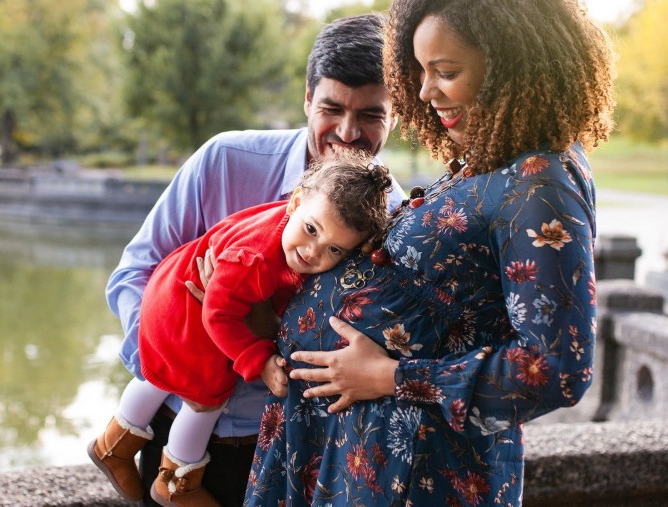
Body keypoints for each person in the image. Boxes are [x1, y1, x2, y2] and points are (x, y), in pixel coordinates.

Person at [245, 0, 615, 505]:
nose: (424, 91)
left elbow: (554, 370)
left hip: (414, 470)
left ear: (510, 65)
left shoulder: (542, 182)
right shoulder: (492, 159)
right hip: (353, 449)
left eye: (445, 72)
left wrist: (391, 377)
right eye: (419, 71)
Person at [103, 13, 406, 507]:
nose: (348, 133)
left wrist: (262, 324)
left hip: (296, 449)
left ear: (397, 117)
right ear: (307, 99)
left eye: (371, 115)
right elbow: (133, 274)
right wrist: (177, 368)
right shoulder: (225, 160)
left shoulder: (393, 219)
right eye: (331, 108)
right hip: (176, 424)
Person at [89, 154, 393, 506]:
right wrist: (260, 360)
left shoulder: (295, 215)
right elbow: (219, 316)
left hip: (175, 296)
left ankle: (114, 444)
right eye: (311, 230)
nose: (312, 252)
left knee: (164, 373)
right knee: (207, 395)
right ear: (295, 201)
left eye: (334, 250)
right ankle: (175, 484)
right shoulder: (255, 260)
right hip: (192, 310)